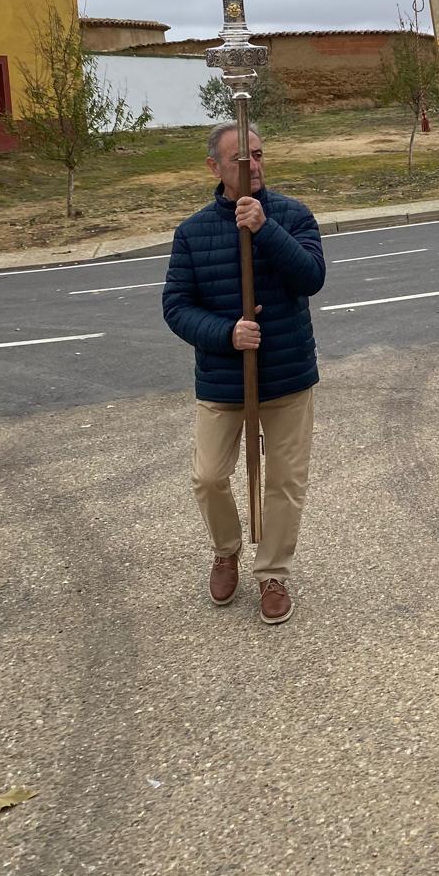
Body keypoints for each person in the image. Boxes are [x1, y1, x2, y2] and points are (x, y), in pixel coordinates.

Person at [162, 124, 325, 626]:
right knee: (208, 476)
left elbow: (311, 278)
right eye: (240, 158)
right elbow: (176, 306)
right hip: (223, 378)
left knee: (285, 480)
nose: (252, 165)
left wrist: (264, 228)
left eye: (257, 154)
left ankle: (273, 572)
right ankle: (226, 549)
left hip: (287, 374)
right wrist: (226, 334)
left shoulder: (293, 215)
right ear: (215, 167)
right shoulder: (193, 233)